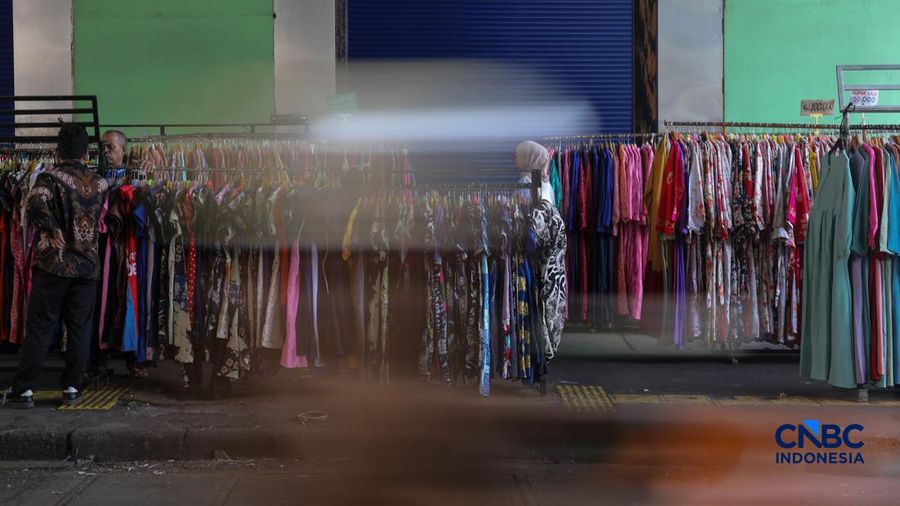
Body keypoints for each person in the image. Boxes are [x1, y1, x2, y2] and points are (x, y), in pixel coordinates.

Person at [2, 124, 110, 408]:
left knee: (40, 327)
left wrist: (51, 229)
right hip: (87, 267)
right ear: (87, 152)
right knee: (79, 328)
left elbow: (36, 205)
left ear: (58, 151)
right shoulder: (101, 183)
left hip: (54, 264)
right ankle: (72, 387)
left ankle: (24, 389)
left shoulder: (48, 179)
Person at [514, 140, 556, 207]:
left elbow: (522, 210)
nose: (515, 160)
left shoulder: (525, 181)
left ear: (529, 157)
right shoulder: (544, 180)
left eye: (518, 156)